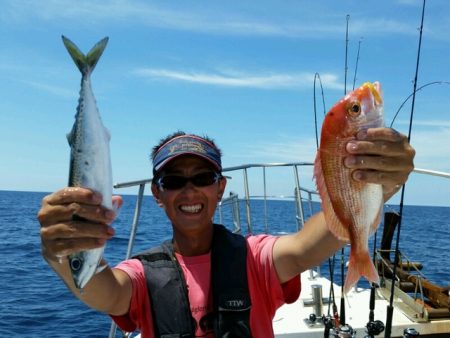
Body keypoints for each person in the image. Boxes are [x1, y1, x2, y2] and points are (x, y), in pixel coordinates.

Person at [38, 128, 415, 337]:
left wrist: (373, 184)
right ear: (157, 194)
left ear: (220, 188)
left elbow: (310, 244)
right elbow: (104, 293)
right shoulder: (140, 274)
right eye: (173, 180)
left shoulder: (256, 258)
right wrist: (63, 250)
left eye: (203, 178)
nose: (189, 191)